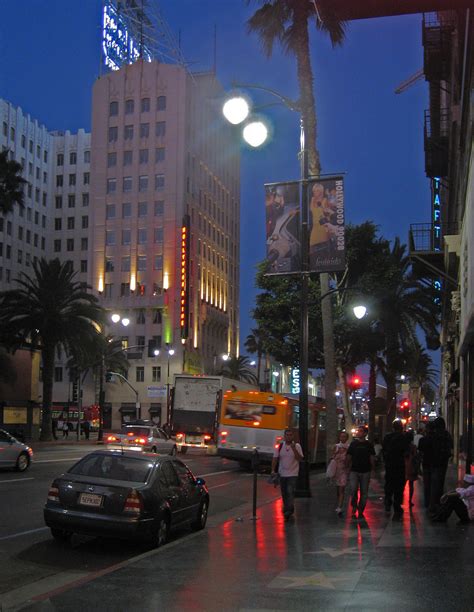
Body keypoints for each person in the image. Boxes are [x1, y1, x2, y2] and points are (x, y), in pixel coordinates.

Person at [271, 429, 303, 521]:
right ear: (285, 436)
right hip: (282, 474)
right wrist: (273, 470)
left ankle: (288, 511)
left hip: (293, 474)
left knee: (290, 491)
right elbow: (275, 458)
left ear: (293, 436)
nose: (289, 436)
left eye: (290, 435)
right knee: (284, 493)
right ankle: (289, 507)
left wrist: (294, 449)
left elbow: (300, 459)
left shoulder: (297, 446)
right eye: (287, 435)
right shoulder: (280, 446)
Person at [346, 426, 376, 519]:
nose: (358, 432)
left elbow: (371, 457)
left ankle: (361, 509)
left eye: (361, 431)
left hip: (365, 471)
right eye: (358, 431)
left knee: (364, 492)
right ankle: (354, 505)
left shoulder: (369, 444)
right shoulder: (353, 444)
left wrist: (373, 469)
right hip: (354, 470)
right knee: (353, 489)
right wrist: (347, 467)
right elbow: (349, 456)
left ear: (365, 433)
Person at [382, 419, 410, 518]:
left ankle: (387, 503)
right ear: (401, 427)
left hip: (389, 465)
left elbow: (383, 451)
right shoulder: (404, 438)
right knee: (399, 487)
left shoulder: (387, 437)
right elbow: (407, 454)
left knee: (389, 485)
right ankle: (397, 507)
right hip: (400, 465)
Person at [429, 416, 453, 516]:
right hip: (443, 463)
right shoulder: (447, 435)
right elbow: (450, 448)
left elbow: (430, 449)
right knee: (440, 483)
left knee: (434, 484)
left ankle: (434, 505)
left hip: (435, 463)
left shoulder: (434, 436)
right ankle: (439, 504)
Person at [332, 431, 350, 516]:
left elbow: (350, 458)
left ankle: (339, 507)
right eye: (341, 436)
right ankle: (339, 502)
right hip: (337, 469)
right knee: (338, 489)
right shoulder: (336, 446)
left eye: (344, 437)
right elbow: (332, 457)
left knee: (341, 488)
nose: (342, 438)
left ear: (347, 438)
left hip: (344, 470)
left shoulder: (349, 447)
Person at [418, 421, 434, 509]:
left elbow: (420, 453)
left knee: (427, 485)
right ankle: (434, 503)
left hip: (426, 464)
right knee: (435, 485)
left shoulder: (423, 440)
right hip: (436, 465)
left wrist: (418, 466)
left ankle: (427, 503)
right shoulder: (437, 439)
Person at [404, 430, 420, 507]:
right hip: (411, 467)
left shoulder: (403, 446)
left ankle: (400, 499)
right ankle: (409, 500)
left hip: (403, 467)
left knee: (402, 485)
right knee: (411, 485)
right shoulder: (413, 447)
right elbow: (416, 457)